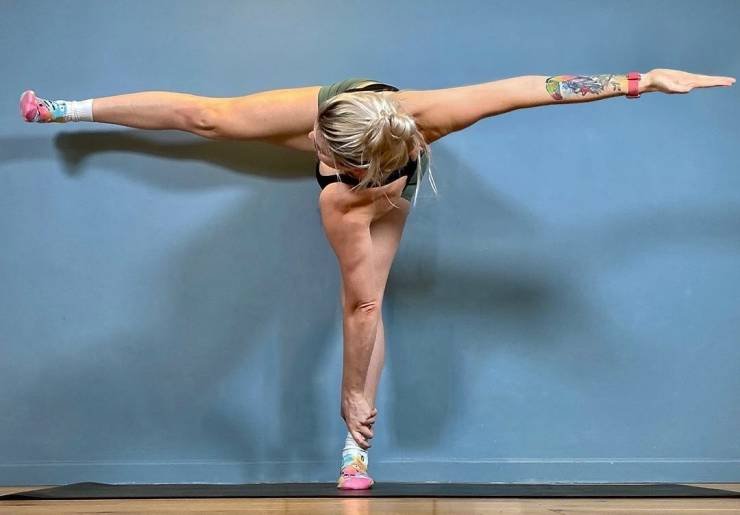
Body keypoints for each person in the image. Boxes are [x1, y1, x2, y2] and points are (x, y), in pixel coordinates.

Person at [19, 69, 735, 489]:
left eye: (323, 148)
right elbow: (532, 88)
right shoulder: (358, 115)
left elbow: (359, 308)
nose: (309, 142)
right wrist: (641, 81)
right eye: (318, 136)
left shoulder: (349, 197)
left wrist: (350, 393)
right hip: (362, 109)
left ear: (349, 166)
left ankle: (355, 447)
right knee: (209, 117)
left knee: (366, 301)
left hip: (384, 178)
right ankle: (60, 108)